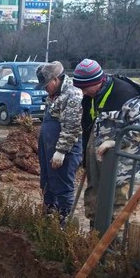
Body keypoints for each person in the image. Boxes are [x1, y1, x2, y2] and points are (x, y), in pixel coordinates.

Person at [72, 59, 140, 226]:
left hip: (124, 166)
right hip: (100, 163)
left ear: (98, 81)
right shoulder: (91, 95)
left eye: (85, 88)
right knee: (94, 199)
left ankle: (112, 246)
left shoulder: (126, 95)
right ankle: (94, 237)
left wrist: (117, 142)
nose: (82, 92)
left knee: (116, 207)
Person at [35, 61, 84, 222]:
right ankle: (48, 218)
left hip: (64, 150)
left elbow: (72, 126)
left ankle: (63, 224)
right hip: (49, 147)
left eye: (46, 84)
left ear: (56, 79)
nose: (44, 88)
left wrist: (61, 151)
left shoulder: (72, 94)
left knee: (62, 186)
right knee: (48, 182)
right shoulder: (54, 95)